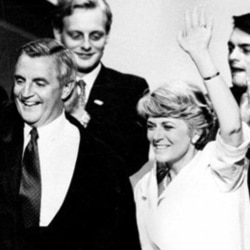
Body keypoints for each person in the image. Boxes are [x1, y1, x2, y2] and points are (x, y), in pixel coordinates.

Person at [0, 38, 141, 250]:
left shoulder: (105, 163)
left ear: (66, 89)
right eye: (20, 80)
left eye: (39, 83)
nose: (25, 93)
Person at [134, 8, 250, 250]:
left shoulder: (217, 167)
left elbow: (232, 131)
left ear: (197, 132)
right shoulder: (145, 187)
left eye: (167, 126)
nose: (157, 136)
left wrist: (200, 55)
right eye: (151, 126)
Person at [52, 0, 149, 176]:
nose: (87, 45)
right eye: (76, 35)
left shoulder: (130, 89)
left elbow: (133, 157)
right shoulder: (36, 84)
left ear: (107, 36)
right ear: (58, 34)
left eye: (96, 36)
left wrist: (79, 116)